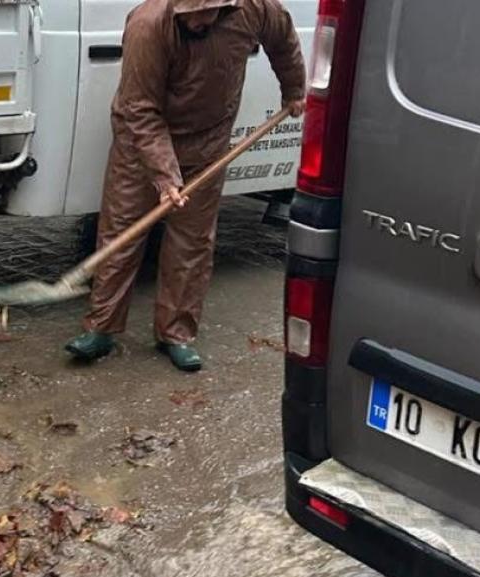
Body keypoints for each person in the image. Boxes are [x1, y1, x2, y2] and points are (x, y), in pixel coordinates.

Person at [65, 0, 307, 372]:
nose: (200, 19)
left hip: (208, 144)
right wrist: (165, 176)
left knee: (191, 241)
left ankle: (175, 334)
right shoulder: (148, 26)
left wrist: (293, 89)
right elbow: (140, 109)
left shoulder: (255, 8)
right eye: (192, 12)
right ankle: (101, 328)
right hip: (139, 144)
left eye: (209, 11)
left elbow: (284, 40)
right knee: (122, 233)